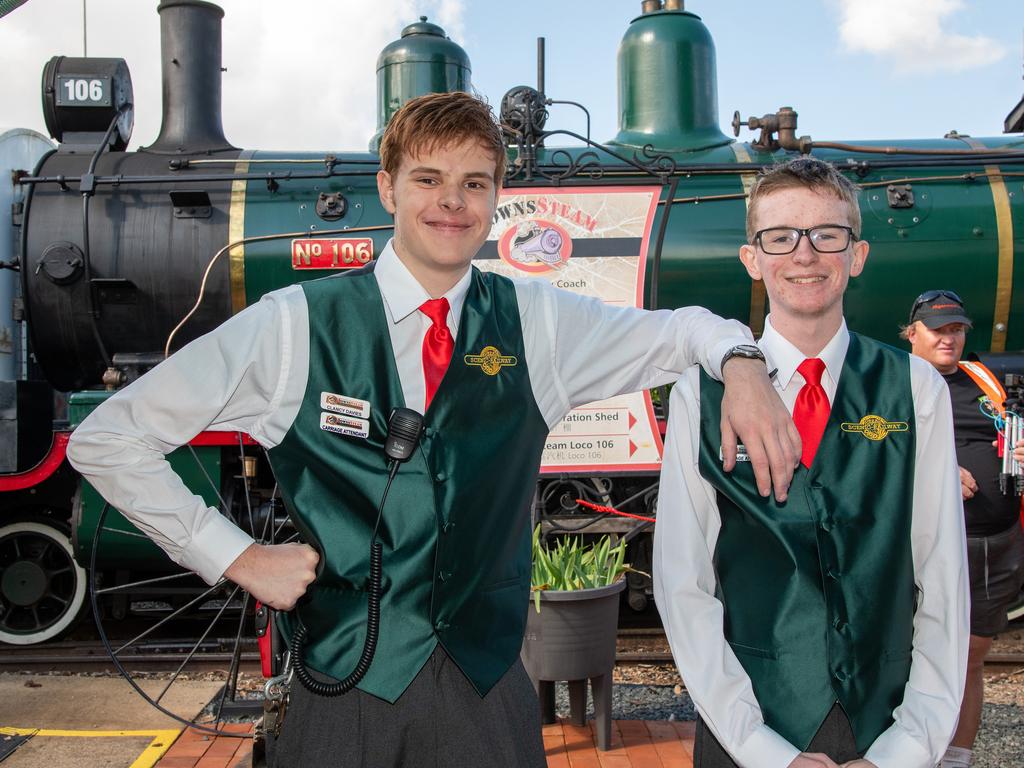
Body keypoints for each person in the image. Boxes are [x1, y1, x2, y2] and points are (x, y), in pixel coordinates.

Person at [67, 91, 800, 767]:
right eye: (428, 179)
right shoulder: (293, 325)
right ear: (387, 187)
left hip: (489, 698)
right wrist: (236, 555)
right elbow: (109, 438)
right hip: (344, 692)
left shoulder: (539, 323)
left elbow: (682, 333)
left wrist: (741, 363)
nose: (452, 202)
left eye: (475, 183)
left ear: (496, 198)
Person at [653, 157, 969, 768]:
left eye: (828, 234)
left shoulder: (915, 387)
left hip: (881, 730)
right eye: (780, 237)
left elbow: (942, 580)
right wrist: (760, 748)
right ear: (753, 258)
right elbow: (681, 584)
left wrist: (907, 748)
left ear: (858, 254)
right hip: (748, 729)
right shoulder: (701, 393)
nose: (805, 254)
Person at [902, 292, 1024, 768]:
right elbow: (863, 450)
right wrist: (935, 470)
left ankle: (956, 758)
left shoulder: (981, 378)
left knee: (969, 661)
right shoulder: (894, 381)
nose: (948, 339)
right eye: (937, 329)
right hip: (928, 544)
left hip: (994, 544)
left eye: (956, 330)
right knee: (918, 658)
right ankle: (906, 753)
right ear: (912, 333)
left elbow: (1002, 429)